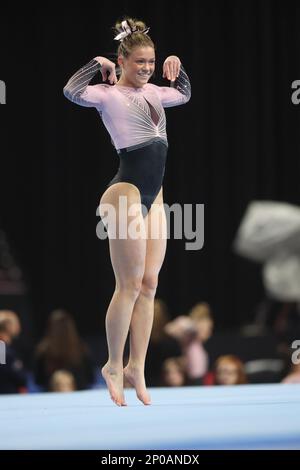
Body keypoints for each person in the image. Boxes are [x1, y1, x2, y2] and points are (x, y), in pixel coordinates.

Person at [63, 17, 191, 406]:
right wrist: (95, 64)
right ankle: (113, 365)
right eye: (139, 62)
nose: (147, 69)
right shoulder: (106, 94)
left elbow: (183, 94)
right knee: (130, 284)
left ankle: (137, 365)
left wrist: (176, 65)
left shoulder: (157, 91)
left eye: (151, 62)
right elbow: (71, 91)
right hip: (125, 192)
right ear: (121, 61)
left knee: (150, 284)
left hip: (155, 194)